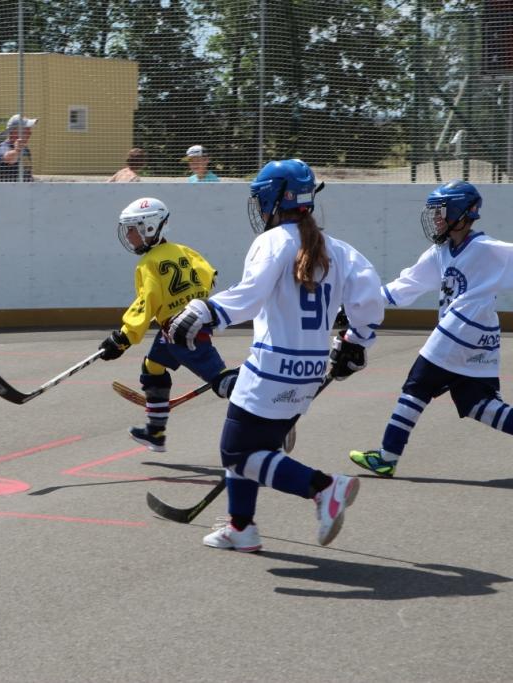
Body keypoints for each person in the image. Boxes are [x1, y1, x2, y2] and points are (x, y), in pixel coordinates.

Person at [167, 159, 385, 551]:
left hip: (270, 367)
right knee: (255, 448)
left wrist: (205, 311)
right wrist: (357, 341)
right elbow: (369, 301)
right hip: (310, 370)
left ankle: (323, 487)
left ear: (273, 198)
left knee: (236, 452)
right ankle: (241, 528)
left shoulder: (273, 241)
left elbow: (249, 297)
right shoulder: (339, 250)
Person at [350, 181, 513, 477]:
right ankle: (387, 457)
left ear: (461, 212)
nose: (436, 218)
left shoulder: (487, 249)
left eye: (441, 211)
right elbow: (406, 286)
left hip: (458, 331)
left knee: (417, 386)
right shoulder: (441, 251)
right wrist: (364, 303)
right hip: (479, 337)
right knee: (478, 404)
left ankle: (387, 457)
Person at [97, 197, 238, 453]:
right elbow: (209, 277)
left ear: (149, 228)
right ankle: (155, 432)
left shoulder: (147, 263)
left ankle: (266, 415)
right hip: (187, 323)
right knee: (152, 366)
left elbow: (146, 303)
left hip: (181, 333)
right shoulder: (184, 251)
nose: (128, 236)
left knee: (222, 381)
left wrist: (123, 338)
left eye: (132, 229)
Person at [0, 114, 36, 182]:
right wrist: (17, 151)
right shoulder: (2, 148)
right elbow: (8, 158)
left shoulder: (25, 149)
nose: (30, 133)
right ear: (15, 132)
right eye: (26, 129)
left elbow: (27, 174)